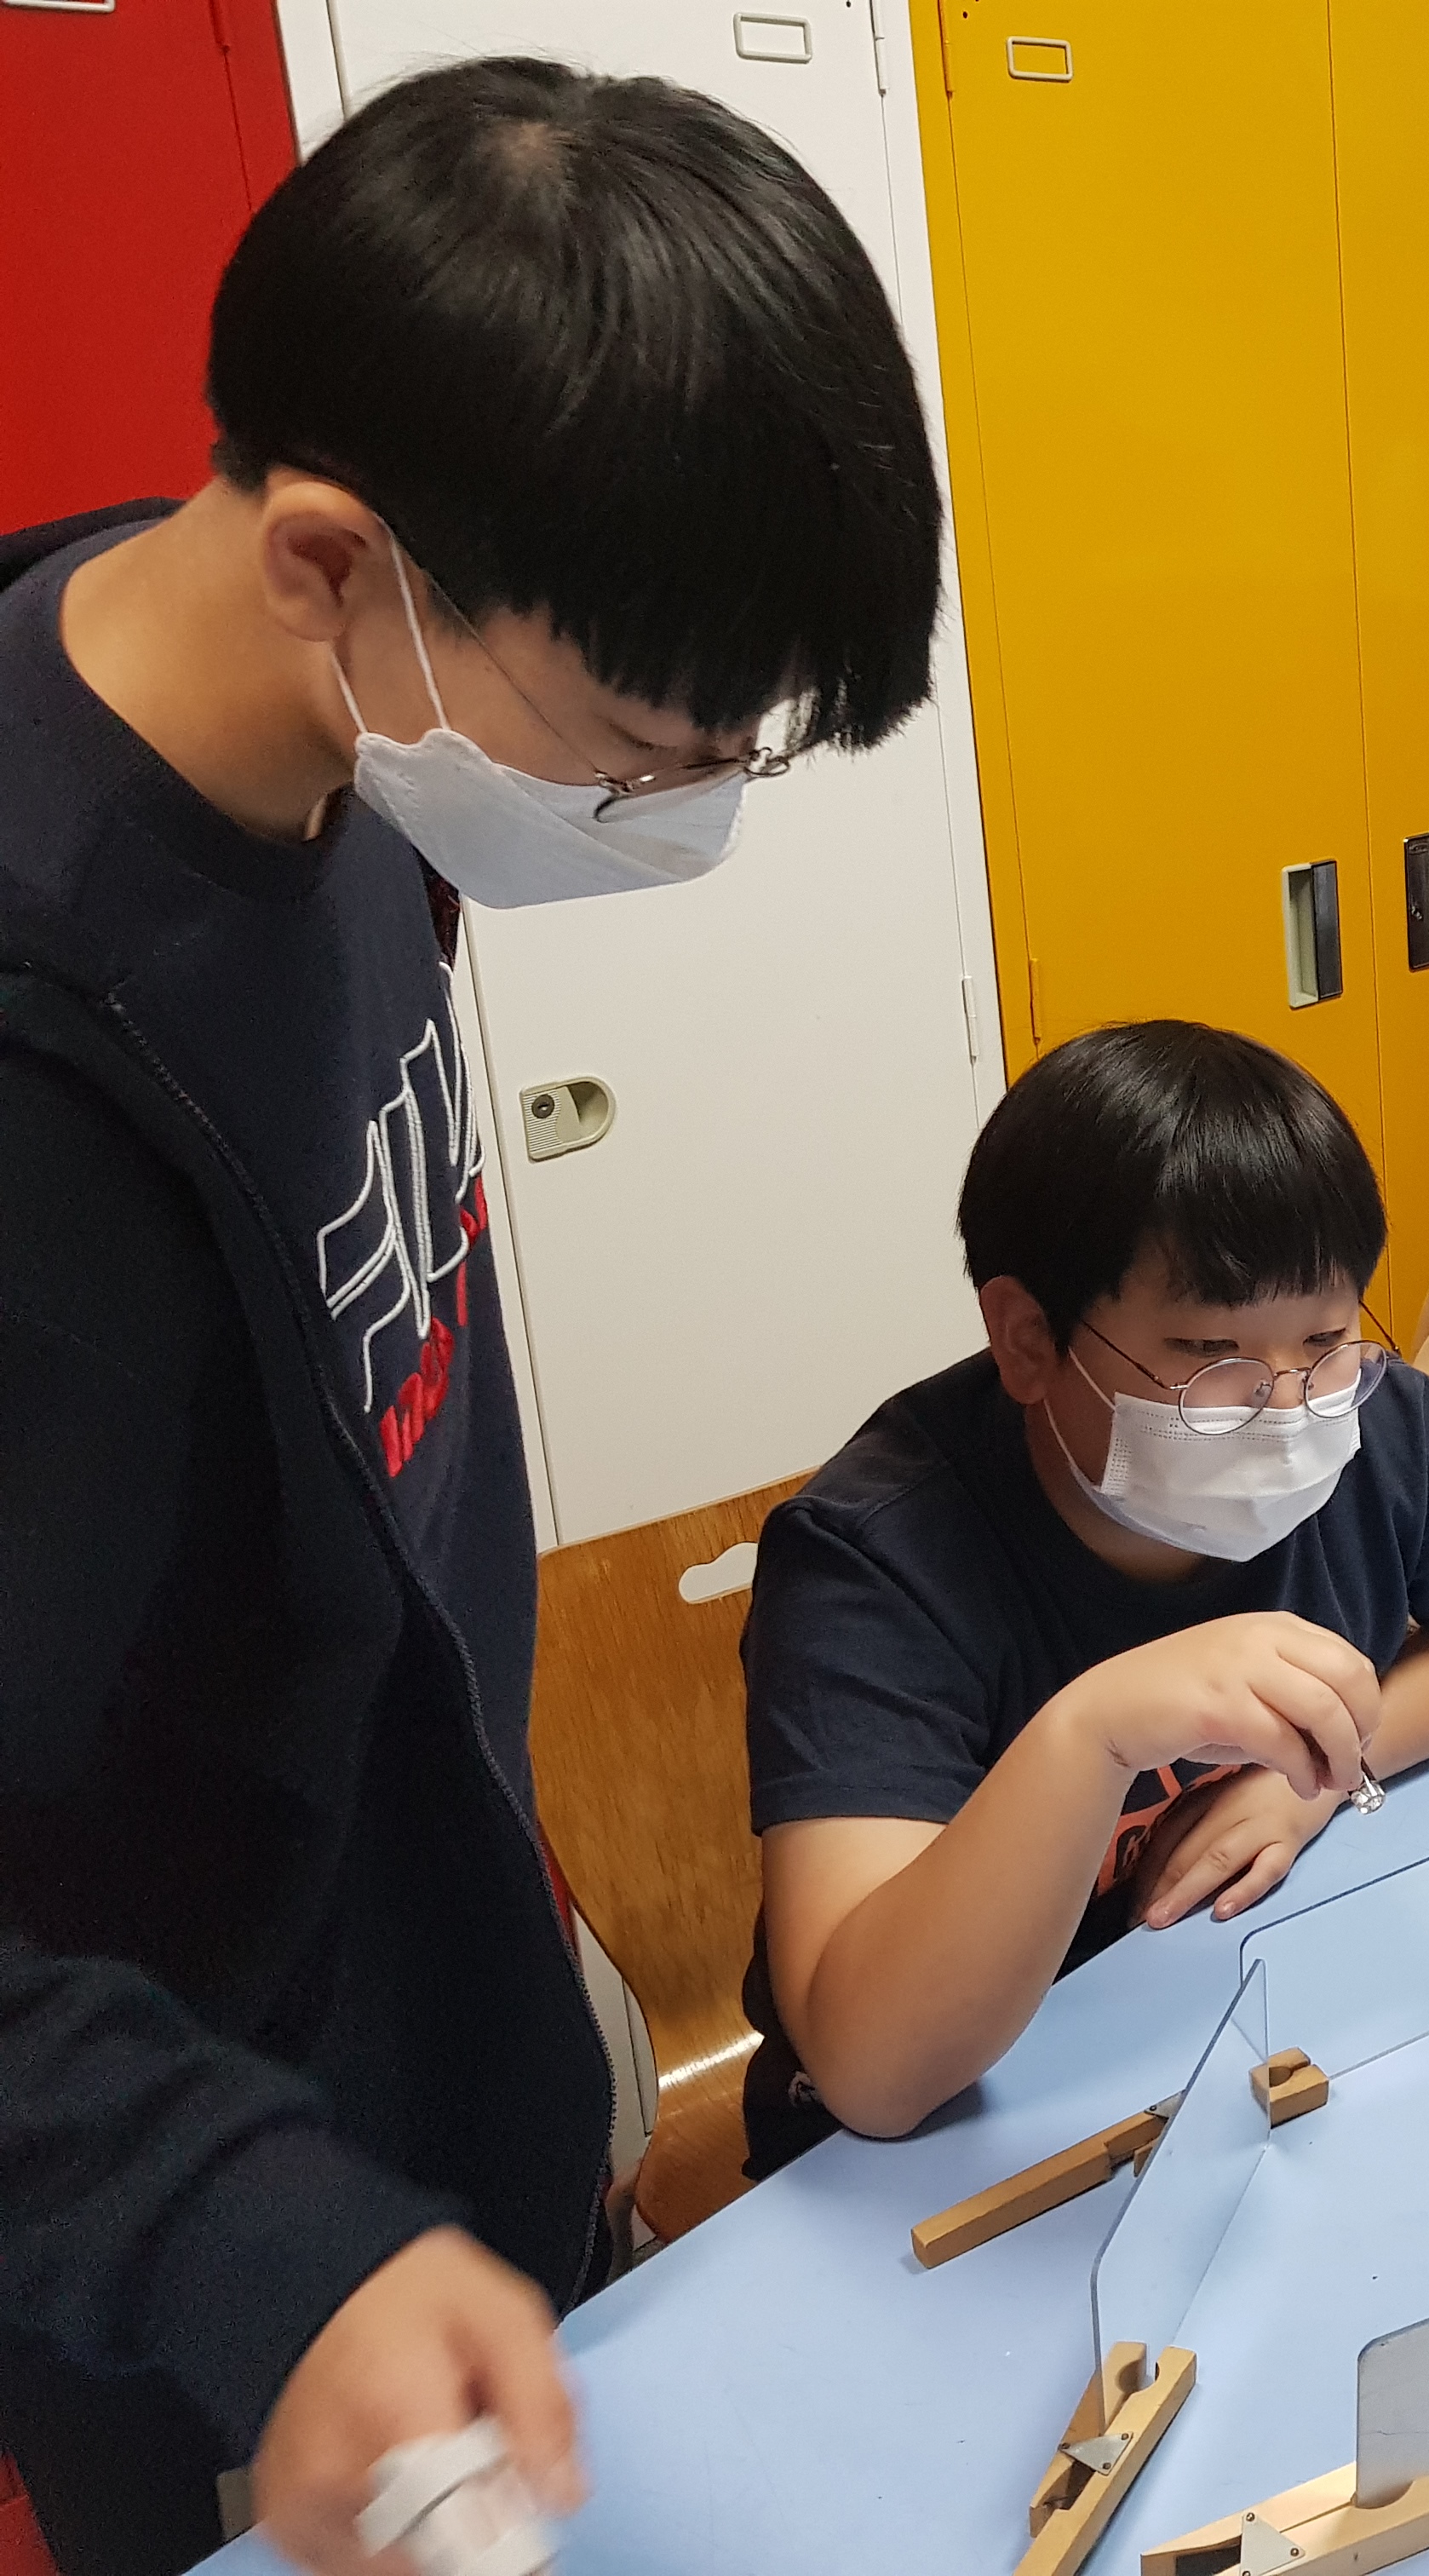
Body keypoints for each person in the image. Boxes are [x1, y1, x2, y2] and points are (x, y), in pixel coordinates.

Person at [0, 58, 945, 2576]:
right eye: (641, 758)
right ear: (333, 561)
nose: (682, 818)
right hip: (222, 2237)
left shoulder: (324, 747)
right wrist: (251, 2243)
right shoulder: (44, 1041)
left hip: (456, 2014)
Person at [738, 1022, 1429, 2169]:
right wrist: (1094, 1732)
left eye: (1325, 1336)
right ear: (1027, 1339)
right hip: (949, 2137)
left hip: (1232, 2033)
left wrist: (1320, 1774)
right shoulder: (874, 1559)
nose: (1287, 1405)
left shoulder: (1369, 1417)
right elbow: (874, 2073)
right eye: (1212, 1356)